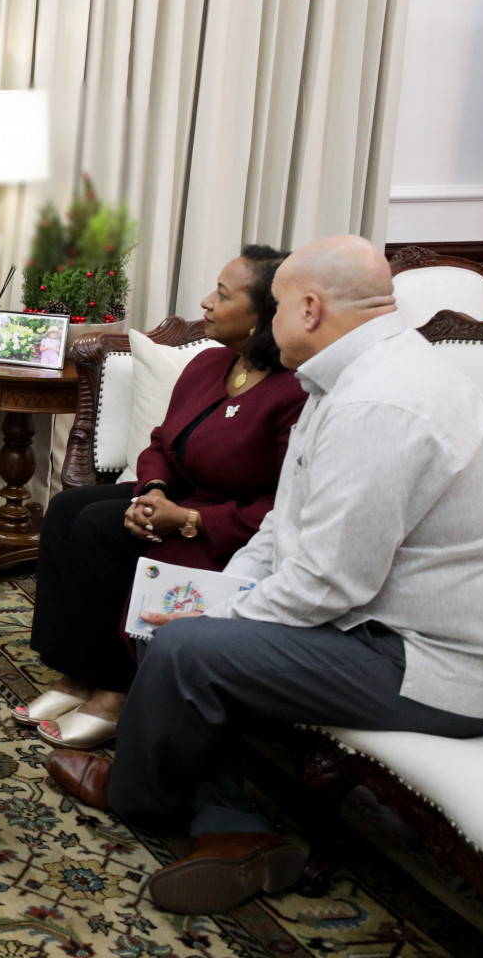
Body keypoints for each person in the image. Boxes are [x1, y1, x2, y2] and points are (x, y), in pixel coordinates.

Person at [44, 235, 483, 915]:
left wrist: (213, 616)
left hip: (428, 666)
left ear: (307, 309)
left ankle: (137, 794)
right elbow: (283, 526)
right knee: (181, 614)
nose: (266, 327)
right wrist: (219, 595)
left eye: (273, 308)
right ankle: (232, 827)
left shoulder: (380, 405)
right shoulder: (343, 382)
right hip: (367, 630)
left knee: (187, 644)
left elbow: (328, 587)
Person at [19, 247, 307, 749]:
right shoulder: (209, 363)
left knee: (102, 529)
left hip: (233, 524)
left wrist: (191, 519)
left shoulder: (295, 392)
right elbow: (161, 444)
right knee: (68, 509)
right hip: (178, 495)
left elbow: (290, 503)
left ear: (262, 314)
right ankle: (75, 674)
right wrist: (153, 490)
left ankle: (115, 690)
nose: (207, 301)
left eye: (223, 295)